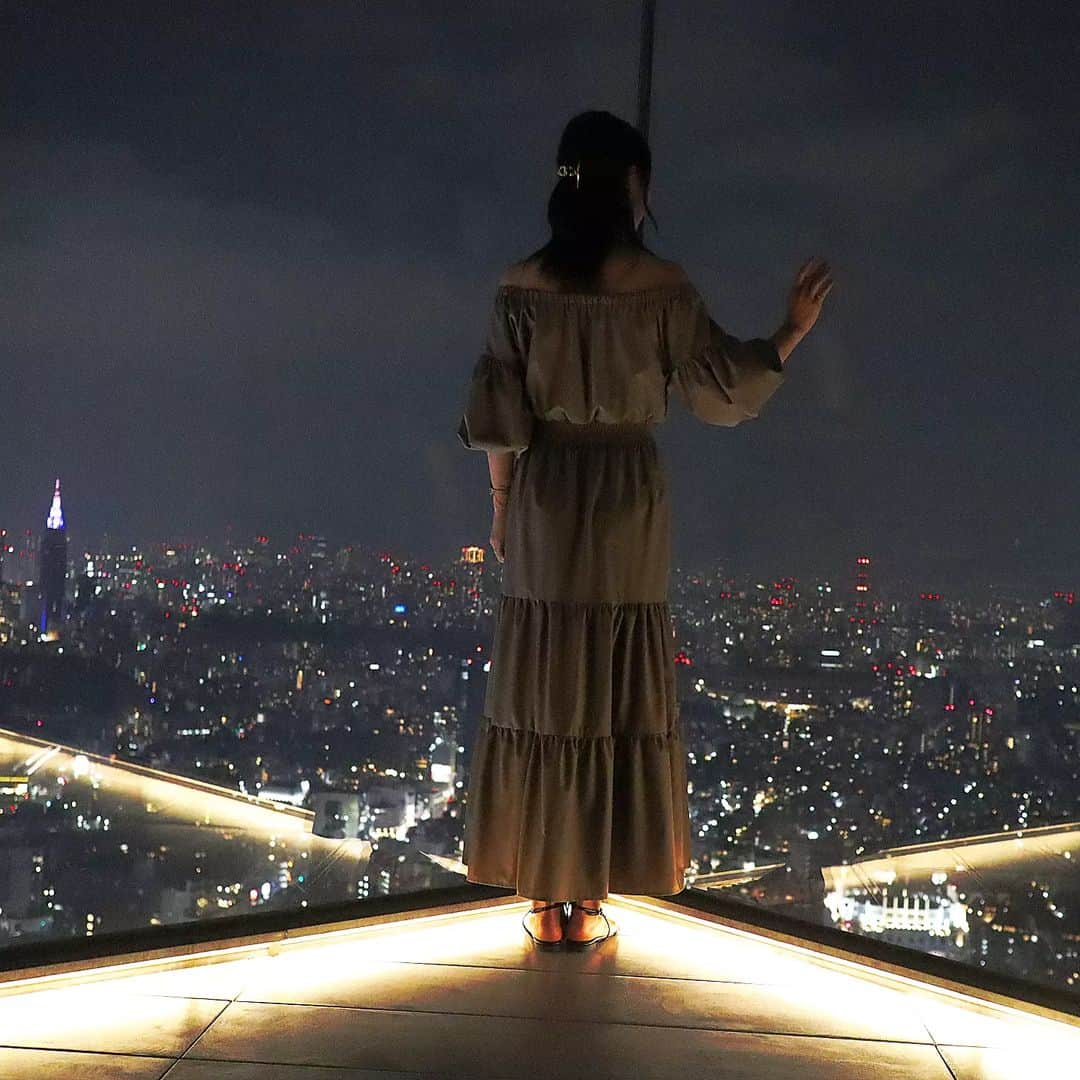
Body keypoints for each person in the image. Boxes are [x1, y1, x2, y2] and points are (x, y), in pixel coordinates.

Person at [456, 109, 833, 950]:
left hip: (546, 492)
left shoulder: (520, 285)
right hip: (627, 494)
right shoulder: (661, 287)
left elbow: (501, 417)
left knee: (547, 683)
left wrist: (500, 508)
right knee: (613, 676)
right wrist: (792, 331)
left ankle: (547, 897)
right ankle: (590, 897)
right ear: (633, 188)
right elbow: (720, 392)